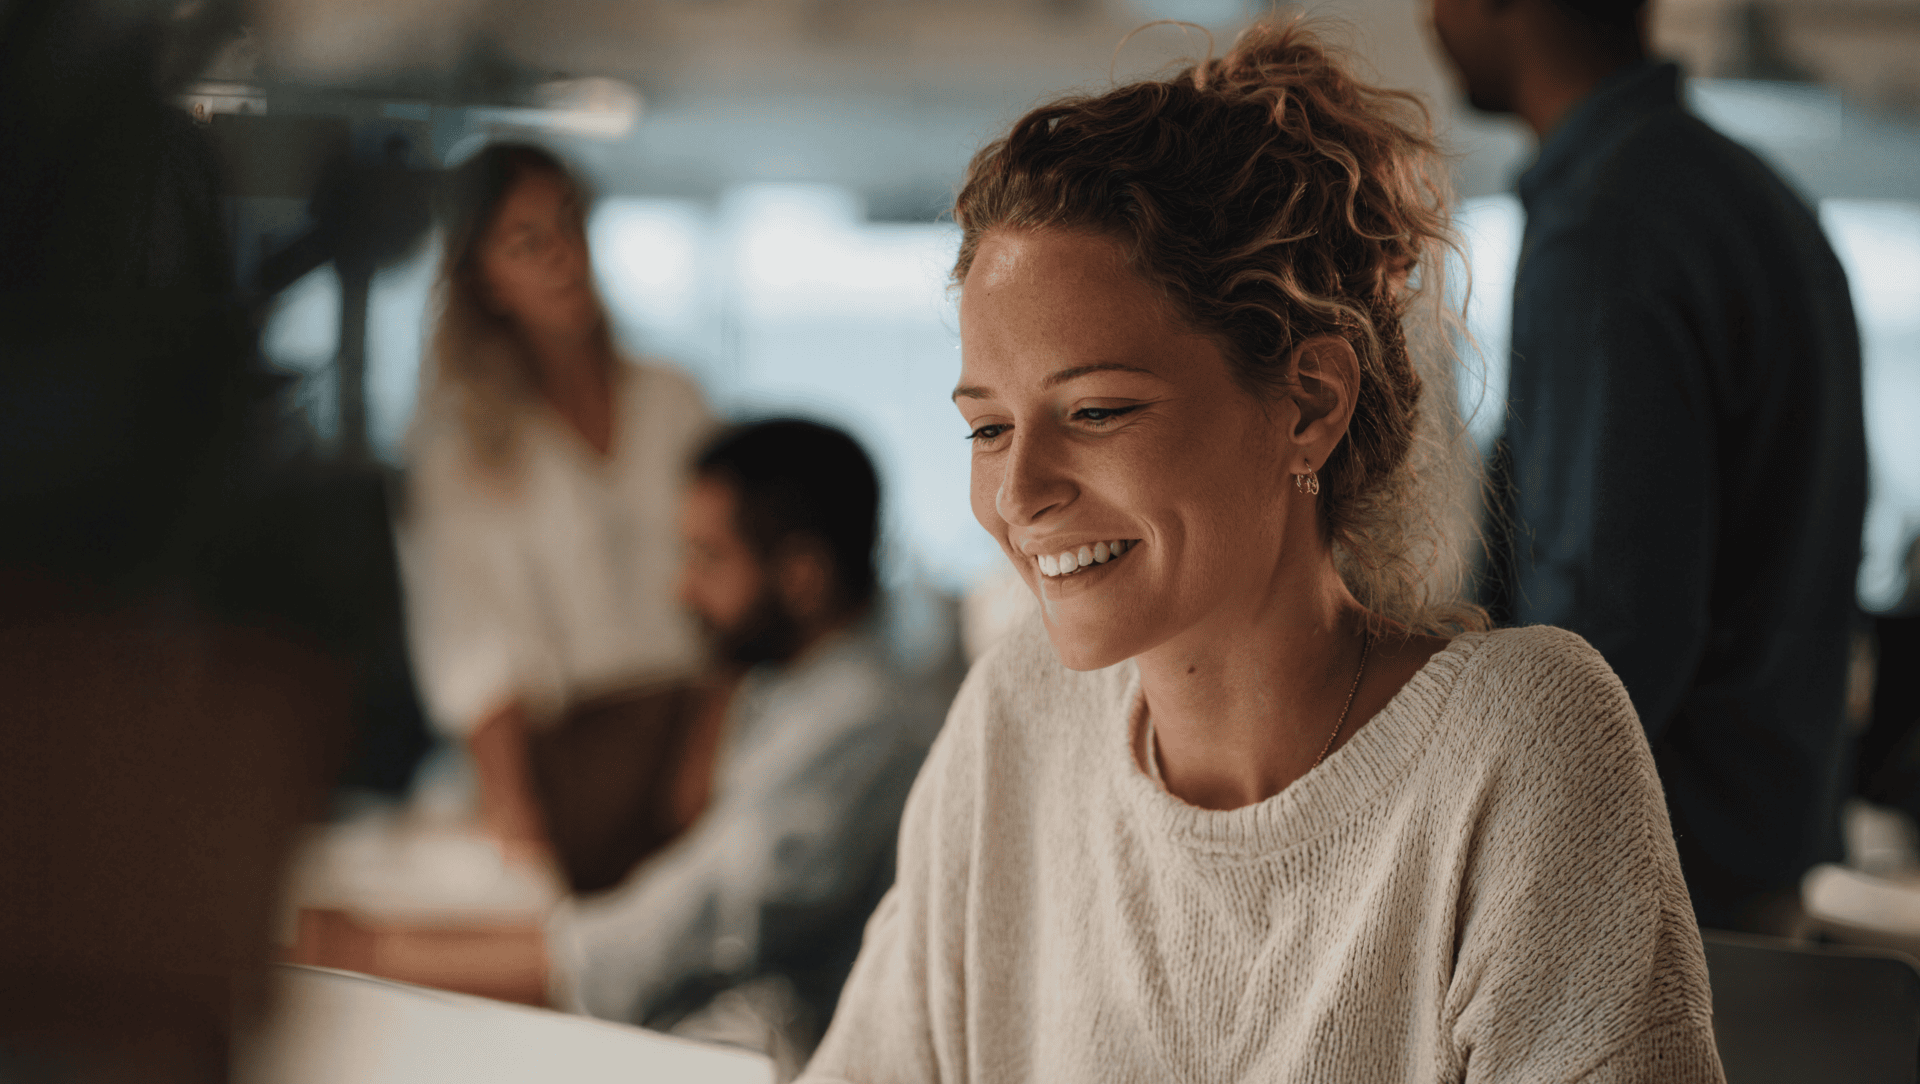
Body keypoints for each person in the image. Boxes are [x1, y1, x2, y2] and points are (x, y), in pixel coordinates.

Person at [801, 22, 1723, 1083]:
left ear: (1310, 404)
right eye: (988, 427)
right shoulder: (1019, 717)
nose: (1017, 494)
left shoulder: (1518, 748)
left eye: (1096, 410)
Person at [1430, 0, 1869, 932]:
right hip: (1746, 880)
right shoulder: (1748, 195)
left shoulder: (1608, 227)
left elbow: (1603, 635)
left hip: (1641, 897)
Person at [548, 420, 961, 1070]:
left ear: (802, 577)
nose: (681, 589)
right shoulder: (791, 689)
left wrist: (389, 958)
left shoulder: (866, 722)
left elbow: (686, 930)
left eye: (708, 557)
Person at [398, 143, 715, 854]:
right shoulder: (466, 450)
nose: (563, 258)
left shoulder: (673, 400)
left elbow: (732, 590)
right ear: (481, 278)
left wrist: (706, 764)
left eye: (569, 225)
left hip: (694, 743)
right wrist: (521, 827)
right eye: (526, 242)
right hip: (563, 768)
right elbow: (478, 651)